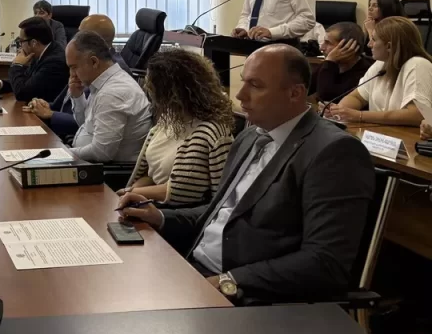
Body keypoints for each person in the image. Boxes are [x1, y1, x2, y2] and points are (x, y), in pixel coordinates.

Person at [118, 45, 374, 303]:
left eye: (255, 85)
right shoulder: (250, 136)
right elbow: (221, 214)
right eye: (243, 82)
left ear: (295, 93)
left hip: (251, 295)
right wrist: (160, 216)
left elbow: (325, 262)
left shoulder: (333, 152)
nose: (240, 95)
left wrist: (229, 280)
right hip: (196, 270)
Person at [119, 50, 234, 205]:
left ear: (171, 91)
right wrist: (129, 192)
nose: (146, 87)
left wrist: (132, 193)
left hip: (180, 214)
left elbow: (182, 191)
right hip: (149, 205)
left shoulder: (211, 132)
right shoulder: (168, 121)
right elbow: (150, 174)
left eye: (150, 84)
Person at [24, 14, 131, 139]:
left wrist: (51, 114)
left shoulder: (110, 70)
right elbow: (62, 103)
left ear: (94, 40)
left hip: (72, 137)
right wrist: (45, 106)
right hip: (61, 132)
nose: (74, 38)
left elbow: (90, 123)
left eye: (79, 35)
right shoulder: (82, 62)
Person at [326, 16, 432, 127]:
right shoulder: (381, 64)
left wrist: (360, 115)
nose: (369, 44)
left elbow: (418, 114)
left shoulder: (418, 65)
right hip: (381, 134)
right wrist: (338, 112)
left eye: (374, 39)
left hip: (408, 136)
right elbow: (357, 97)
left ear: (389, 46)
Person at [65, 31, 152, 163]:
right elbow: (86, 124)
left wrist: (65, 152)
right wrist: (78, 97)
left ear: (94, 62)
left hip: (107, 170)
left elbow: (102, 152)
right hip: (90, 162)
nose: (72, 74)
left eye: (74, 67)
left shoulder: (112, 93)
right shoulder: (103, 82)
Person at [0, 17, 68, 102]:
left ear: (33, 43)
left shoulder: (54, 62)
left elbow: (22, 93)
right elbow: (27, 81)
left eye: (21, 41)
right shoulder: (41, 53)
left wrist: (16, 65)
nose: (20, 46)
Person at [310, 22, 373, 103]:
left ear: (348, 47)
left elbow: (326, 98)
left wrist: (330, 62)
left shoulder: (365, 72)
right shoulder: (330, 64)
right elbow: (305, 88)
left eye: (328, 43)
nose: (321, 48)